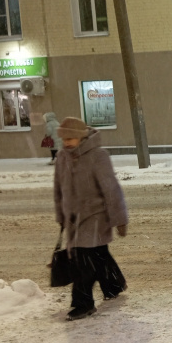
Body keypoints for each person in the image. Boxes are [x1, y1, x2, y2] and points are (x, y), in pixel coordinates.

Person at [53, 117, 128, 321]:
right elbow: (58, 189)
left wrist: (119, 219)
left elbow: (111, 189)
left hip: (95, 216)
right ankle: (113, 284)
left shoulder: (98, 155)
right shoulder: (62, 157)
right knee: (98, 253)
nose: (67, 142)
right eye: (64, 138)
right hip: (73, 218)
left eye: (71, 138)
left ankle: (83, 303)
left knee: (83, 261)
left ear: (81, 136)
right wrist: (61, 215)